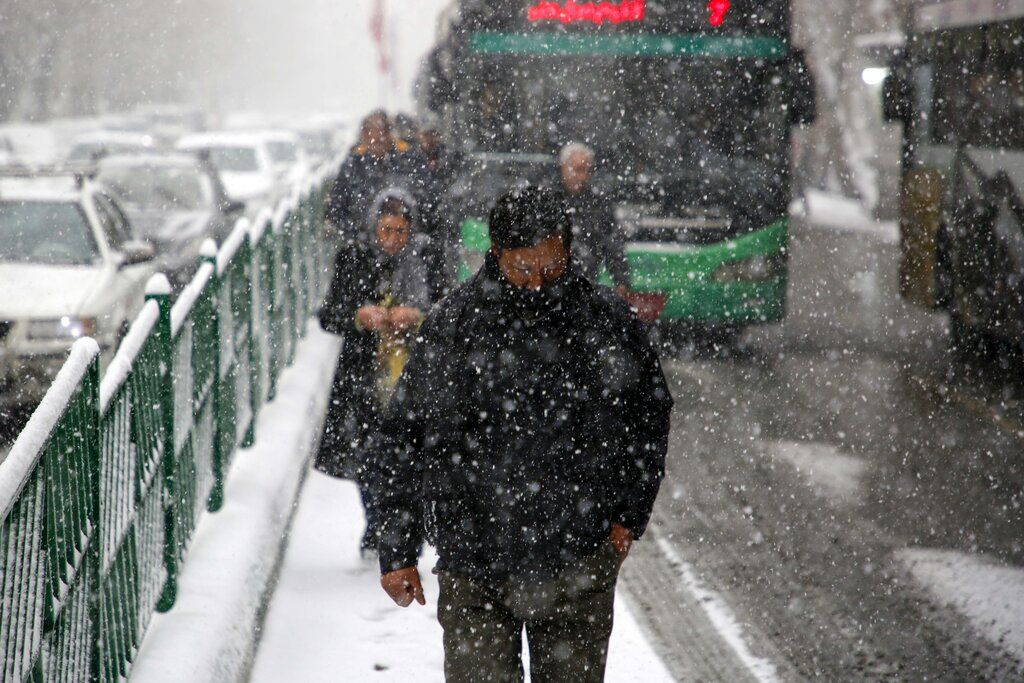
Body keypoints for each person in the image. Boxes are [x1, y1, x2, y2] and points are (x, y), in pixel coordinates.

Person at [370, 186, 673, 682]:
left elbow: (648, 416)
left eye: (550, 268)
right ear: (496, 255)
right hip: (474, 564)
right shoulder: (455, 325)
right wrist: (397, 550)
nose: (537, 284)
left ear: (569, 254)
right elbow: (402, 435)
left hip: (578, 557)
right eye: (523, 270)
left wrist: (628, 514)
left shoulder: (606, 322)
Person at [317, 191, 431, 554]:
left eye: (401, 231)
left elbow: (449, 308)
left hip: (416, 374)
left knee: (412, 454)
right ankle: (379, 524)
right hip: (365, 373)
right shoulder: (354, 258)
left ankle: (406, 529)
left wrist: (416, 317)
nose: (394, 239)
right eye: (387, 230)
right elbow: (329, 314)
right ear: (374, 228)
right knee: (368, 453)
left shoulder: (426, 258)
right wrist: (359, 316)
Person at [324, 110, 421, 244]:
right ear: (363, 136)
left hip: (404, 242)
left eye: (381, 132)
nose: (376, 138)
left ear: (389, 134)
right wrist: (359, 237)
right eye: (370, 132)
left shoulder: (408, 157)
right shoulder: (353, 163)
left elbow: (424, 197)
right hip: (365, 244)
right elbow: (336, 207)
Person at [557, 142, 631, 296]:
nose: (583, 177)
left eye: (587, 171)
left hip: (584, 286)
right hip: (550, 287)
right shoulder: (547, 199)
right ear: (564, 168)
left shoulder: (599, 205)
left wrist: (621, 281)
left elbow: (613, 246)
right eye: (578, 170)